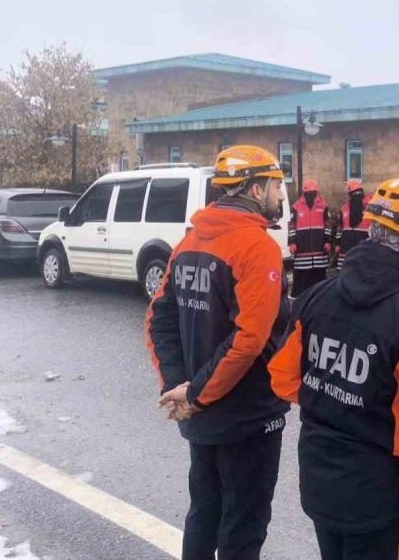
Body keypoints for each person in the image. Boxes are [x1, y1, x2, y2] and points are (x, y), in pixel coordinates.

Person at [268, 178, 399, 560]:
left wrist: (335, 397)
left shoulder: (315, 297)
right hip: (382, 498)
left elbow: (283, 378)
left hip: (320, 482)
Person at [147, 145, 291, 560]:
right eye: (277, 186)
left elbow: (160, 319)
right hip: (246, 418)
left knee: (204, 515)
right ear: (256, 188)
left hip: (201, 414)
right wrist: (191, 393)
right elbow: (249, 340)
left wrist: (181, 388)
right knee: (242, 529)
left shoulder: (190, 241)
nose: (282, 197)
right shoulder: (257, 247)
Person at [289, 178, 332, 298]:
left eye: (314, 193)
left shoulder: (323, 206)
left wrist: (328, 241)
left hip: (319, 252)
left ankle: (319, 301)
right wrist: (292, 242)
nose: (311, 196)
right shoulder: (296, 207)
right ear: (304, 193)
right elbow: (292, 226)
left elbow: (328, 224)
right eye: (309, 193)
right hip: (302, 252)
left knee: (319, 283)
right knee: (301, 283)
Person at [333, 179, 371, 268]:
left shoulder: (370, 207)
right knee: (346, 272)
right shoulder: (344, 208)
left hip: (364, 247)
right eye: (353, 193)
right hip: (346, 247)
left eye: (358, 193)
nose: (356, 195)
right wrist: (338, 244)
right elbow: (340, 227)